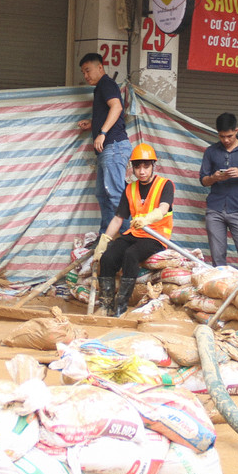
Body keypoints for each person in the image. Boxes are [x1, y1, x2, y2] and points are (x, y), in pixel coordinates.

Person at [93, 144, 173, 316]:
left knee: (131, 254)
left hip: (156, 236)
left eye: (146, 166)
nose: (142, 171)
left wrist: (147, 219)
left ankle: (120, 307)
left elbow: (163, 208)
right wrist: (104, 241)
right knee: (108, 257)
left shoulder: (165, 185)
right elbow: (118, 218)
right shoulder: (130, 188)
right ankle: (105, 305)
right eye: (137, 167)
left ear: (153, 165)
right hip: (135, 233)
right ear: (132, 167)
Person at [76, 53, 133, 232]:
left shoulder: (106, 84)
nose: (86, 76)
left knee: (115, 195)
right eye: (83, 72)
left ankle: (128, 238)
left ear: (100, 67)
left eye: (88, 70)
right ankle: (107, 239)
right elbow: (110, 113)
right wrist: (93, 124)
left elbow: (117, 107)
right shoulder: (100, 87)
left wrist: (102, 133)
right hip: (108, 149)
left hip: (114, 146)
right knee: (103, 195)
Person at [199, 113, 238, 271]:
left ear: (236, 131)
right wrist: (214, 177)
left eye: (229, 136)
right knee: (217, 255)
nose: (226, 140)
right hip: (215, 209)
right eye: (222, 136)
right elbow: (203, 180)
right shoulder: (211, 151)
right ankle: (222, 285)